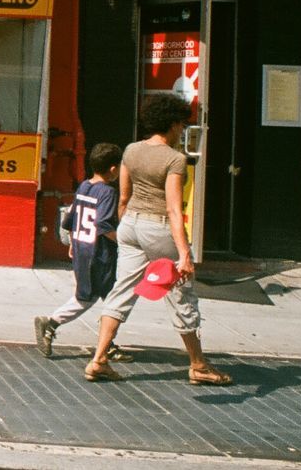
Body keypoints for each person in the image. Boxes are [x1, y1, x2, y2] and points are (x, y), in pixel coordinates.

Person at [84, 94, 232, 385]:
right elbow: (174, 209)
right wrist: (185, 253)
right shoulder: (175, 159)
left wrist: (128, 226)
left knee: (121, 291)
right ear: (173, 124)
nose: (182, 131)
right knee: (182, 295)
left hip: (131, 227)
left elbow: (124, 198)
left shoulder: (131, 150)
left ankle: (99, 359)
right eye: (181, 125)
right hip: (159, 228)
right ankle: (198, 365)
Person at [34, 143, 131, 361]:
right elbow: (104, 224)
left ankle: (107, 344)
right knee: (88, 298)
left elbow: (71, 218)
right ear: (114, 170)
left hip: (82, 249)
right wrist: (124, 242)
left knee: (111, 297)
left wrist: (71, 242)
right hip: (99, 255)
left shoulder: (85, 186)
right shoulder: (107, 192)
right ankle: (51, 322)